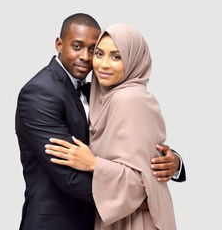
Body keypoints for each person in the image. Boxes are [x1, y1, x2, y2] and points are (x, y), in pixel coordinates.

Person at [16, 14, 185, 230]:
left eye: (92, 50)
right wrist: (137, 199)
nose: (86, 57)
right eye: (77, 46)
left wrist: (174, 162)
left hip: (100, 220)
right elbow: (67, 174)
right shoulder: (40, 92)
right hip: (57, 222)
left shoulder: (102, 94)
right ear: (59, 44)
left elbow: (130, 144)